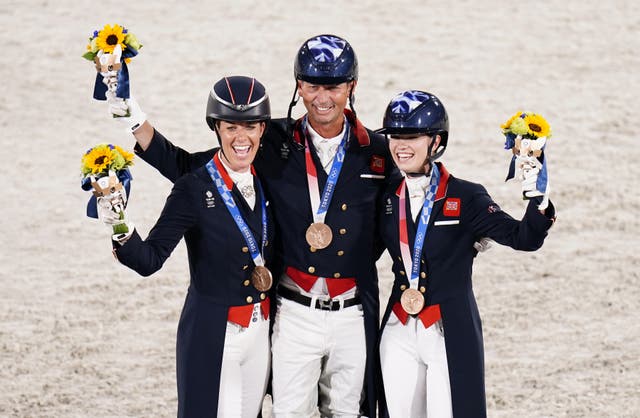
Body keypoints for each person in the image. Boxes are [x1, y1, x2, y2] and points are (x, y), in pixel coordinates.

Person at [106, 34, 396, 417]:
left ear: (351, 87)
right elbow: (187, 167)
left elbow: (412, 201)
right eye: (312, 86)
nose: (322, 97)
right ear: (299, 87)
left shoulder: (378, 152)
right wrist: (130, 113)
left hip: (354, 310)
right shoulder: (269, 140)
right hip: (294, 309)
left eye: (334, 86)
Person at [98, 76, 275, 417]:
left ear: (263, 129)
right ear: (216, 128)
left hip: (260, 333)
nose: (242, 137)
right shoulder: (193, 187)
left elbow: (176, 160)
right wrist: (117, 220)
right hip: (215, 333)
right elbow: (148, 260)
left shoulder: (266, 170)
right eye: (230, 127)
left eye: (251, 126)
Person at [374, 90, 556, 417]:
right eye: (395, 136)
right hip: (398, 328)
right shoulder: (387, 194)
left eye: (412, 136)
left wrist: (538, 198)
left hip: (449, 331)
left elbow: (523, 237)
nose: (401, 145)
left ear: (436, 141)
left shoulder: (466, 196)